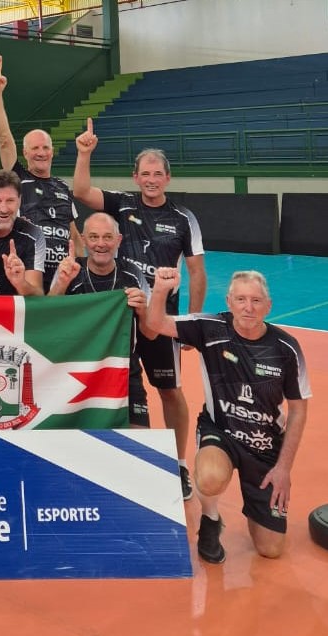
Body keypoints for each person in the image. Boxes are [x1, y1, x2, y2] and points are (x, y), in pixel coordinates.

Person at [73, 117, 207, 500]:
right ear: (135, 177)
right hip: (120, 318)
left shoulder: (183, 218)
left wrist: (191, 323)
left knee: (170, 391)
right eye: (144, 174)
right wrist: (85, 153)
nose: (150, 180)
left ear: (167, 177)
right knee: (115, 385)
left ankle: (179, 464)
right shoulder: (123, 203)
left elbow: (197, 272)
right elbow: (81, 190)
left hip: (161, 319)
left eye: (157, 174)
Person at [147, 268, 310, 564]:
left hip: (264, 445)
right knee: (209, 478)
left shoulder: (286, 348)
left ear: (269, 306)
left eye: (256, 301)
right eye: (241, 299)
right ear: (229, 301)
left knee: (271, 548)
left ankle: (258, 509)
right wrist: (160, 289)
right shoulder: (209, 327)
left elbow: (298, 410)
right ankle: (210, 519)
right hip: (220, 431)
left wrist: (283, 468)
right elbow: (155, 323)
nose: (248, 307)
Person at [49, 212, 156, 428]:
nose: (101, 244)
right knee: (69, 435)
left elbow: (151, 333)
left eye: (108, 237)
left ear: (118, 240)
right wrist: (61, 284)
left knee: (139, 438)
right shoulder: (70, 271)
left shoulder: (132, 274)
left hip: (123, 370)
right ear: (83, 239)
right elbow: (48, 320)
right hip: (76, 369)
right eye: (94, 237)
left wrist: (143, 310)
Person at [0, 55, 82, 291]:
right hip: (27, 275)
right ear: (25, 153)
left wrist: (83, 270)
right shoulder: (18, 178)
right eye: (35, 148)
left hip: (62, 280)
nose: (41, 153)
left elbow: (74, 235)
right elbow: (4, 140)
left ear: (52, 151)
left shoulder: (62, 187)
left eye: (45, 148)